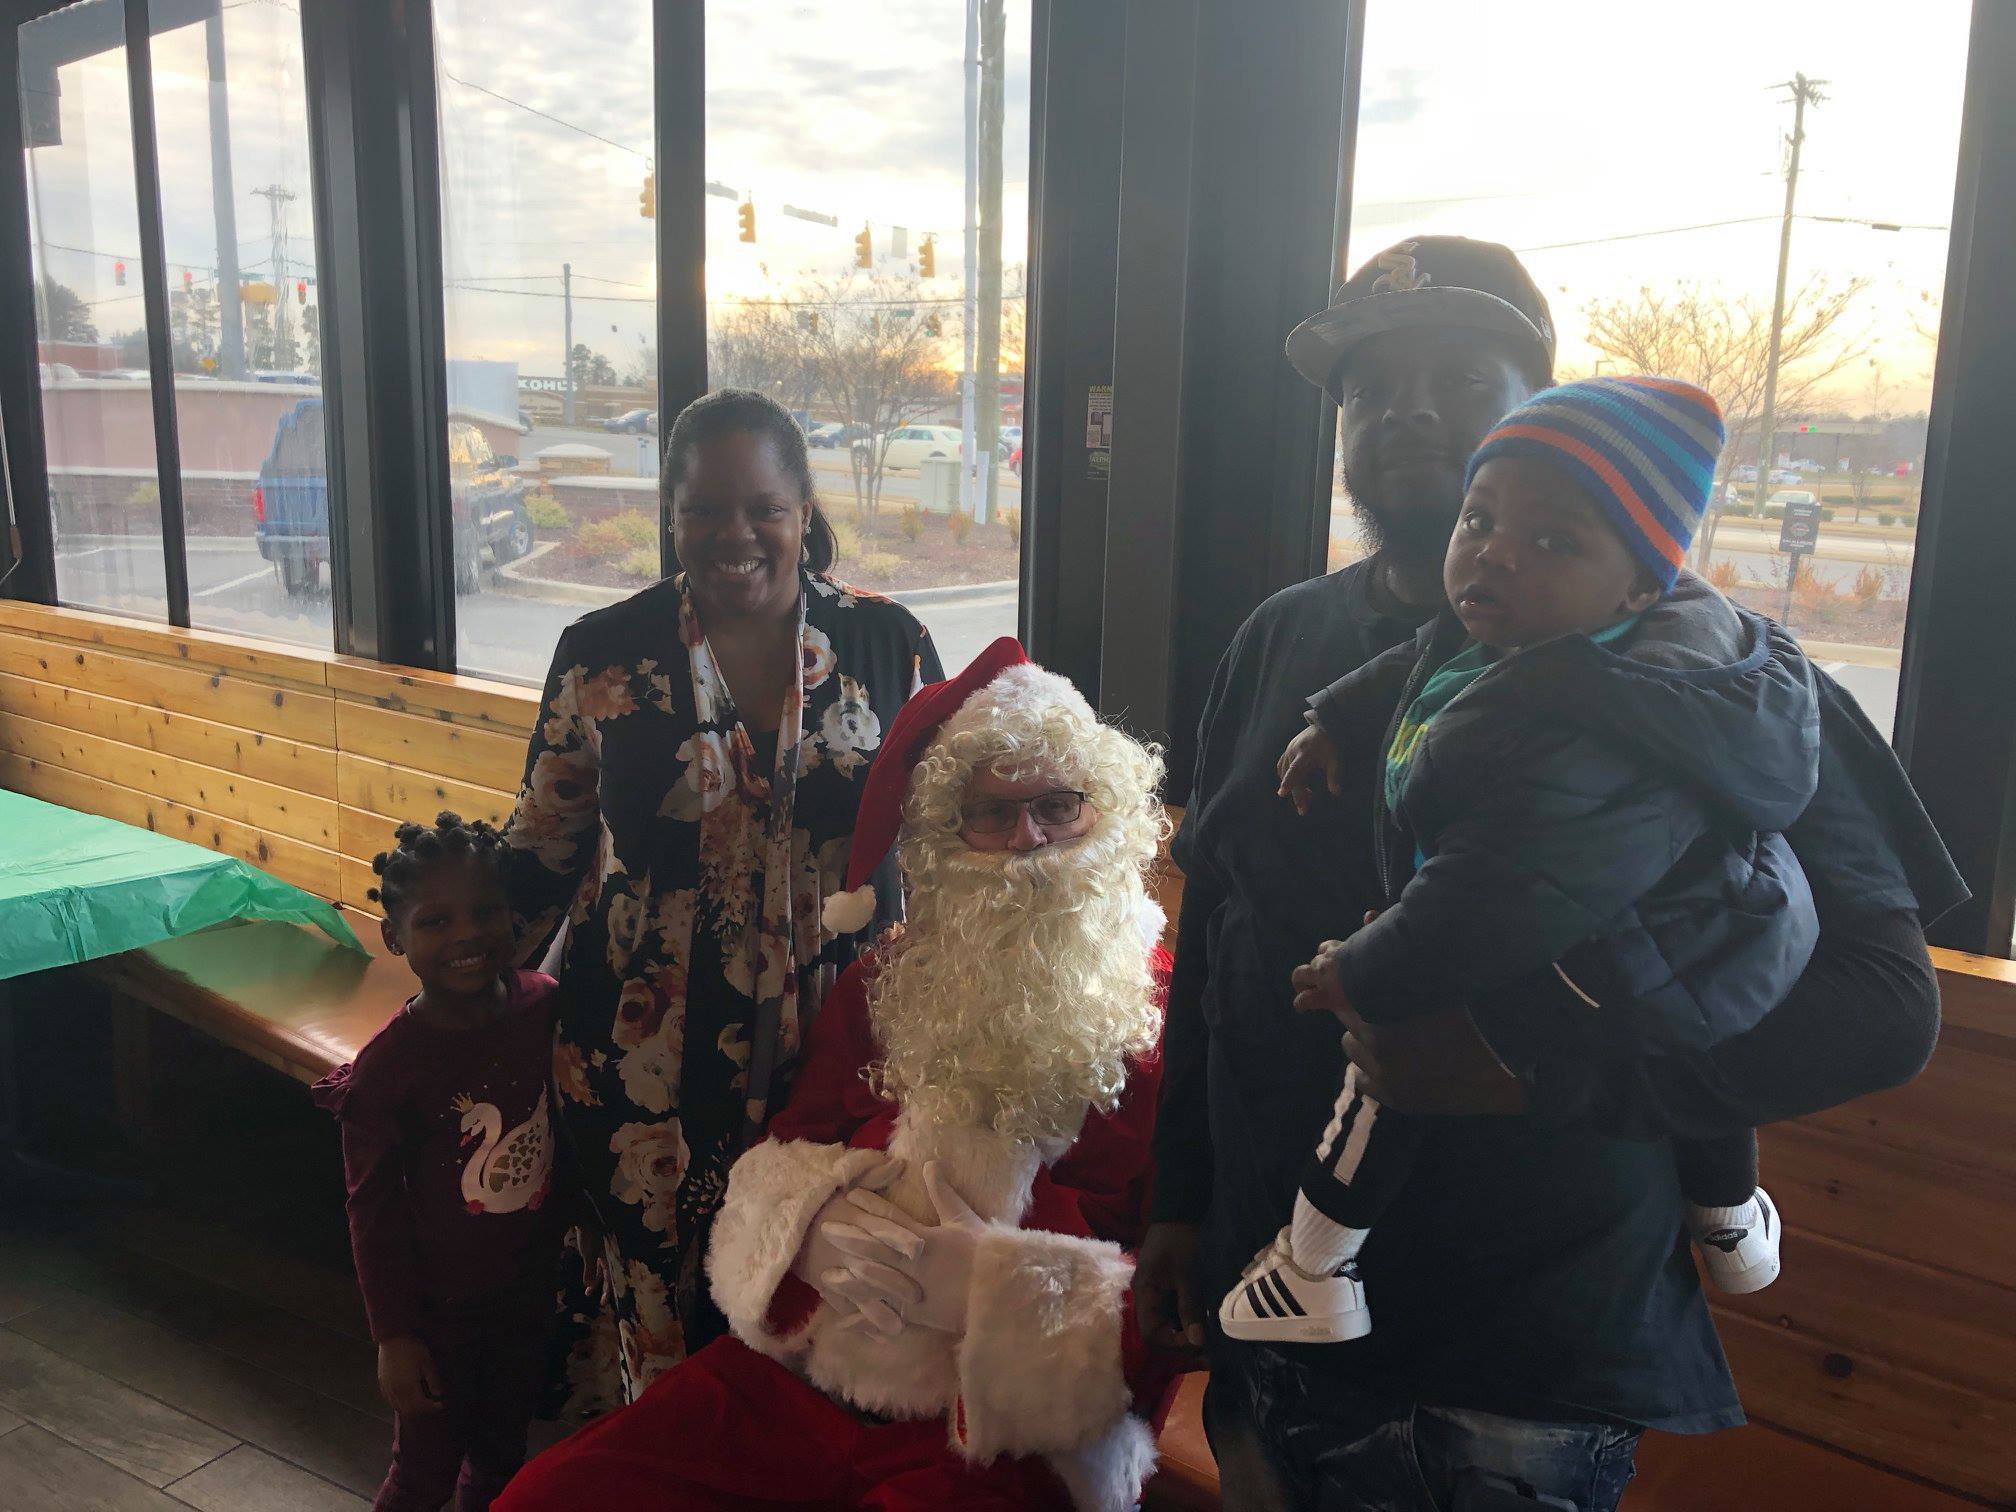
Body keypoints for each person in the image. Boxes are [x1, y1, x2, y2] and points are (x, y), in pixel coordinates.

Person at [1135, 236, 1964, 1512]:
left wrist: (1540, 1069)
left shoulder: (1716, 678)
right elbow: (1218, 935)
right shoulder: (1280, 639)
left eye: (1463, 379)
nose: (1407, 411)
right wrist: (1179, 1199)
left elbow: (1886, 1005)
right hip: (1273, 1326)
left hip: (1516, 1374)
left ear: (1544, 409)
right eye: (1369, 388)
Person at [498, 639, 1179, 1512]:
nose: (1028, 840)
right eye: (992, 814)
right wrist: (807, 1228)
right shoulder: (886, 982)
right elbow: (787, 1149)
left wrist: (997, 1291)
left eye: (1057, 805)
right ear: (947, 835)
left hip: (1003, 1428)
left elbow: (1186, 1296)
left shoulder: (1172, 1017)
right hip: (812, 1373)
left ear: (1103, 813)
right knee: (552, 1496)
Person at [1220, 377, 1815, 1348]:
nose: (1494, 550)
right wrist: (1335, 720)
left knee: (1388, 1067)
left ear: (1641, 589)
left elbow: (1494, 894)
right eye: (1480, 518)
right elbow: (1423, 658)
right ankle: (1731, 1221)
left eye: (1553, 541)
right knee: (1689, 1046)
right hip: (1658, 957)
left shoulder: (1592, 725)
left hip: (1597, 959)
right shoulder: (1522, 631)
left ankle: (1316, 1268)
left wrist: (1363, 971)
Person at [501, 388, 944, 1414]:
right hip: (642, 1068)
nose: (733, 534)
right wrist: (454, 993)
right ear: (670, 513)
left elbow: (948, 842)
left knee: (820, 1329)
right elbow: (542, 849)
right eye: (703, 508)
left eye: (763, 509)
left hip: (842, 1056)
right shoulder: (602, 653)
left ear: (803, 512)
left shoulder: (888, 643)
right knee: (666, 1340)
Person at [313, 813, 563, 1512]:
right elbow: (371, 1208)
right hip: (437, 1312)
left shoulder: (544, 1007)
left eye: (485, 912)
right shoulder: (388, 1069)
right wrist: (394, 1337)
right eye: (436, 921)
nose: (467, 935)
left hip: (527, 1291)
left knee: (503, 1453)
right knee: (423, 1471)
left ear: (512, 915)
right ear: (395, 937)